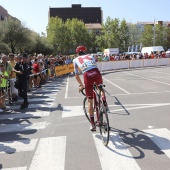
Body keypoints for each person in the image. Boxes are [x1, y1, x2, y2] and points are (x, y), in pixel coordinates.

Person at [73, 45, 107, 131]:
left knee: (90, 101)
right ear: (85, 51)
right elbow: (94, 66)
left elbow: (76, 76)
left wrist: (81, 85)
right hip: (96, 72)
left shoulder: (75, 60)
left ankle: (92, 124)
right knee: (100, 87)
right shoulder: (91, 56)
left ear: (77, 53)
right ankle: (104, 100)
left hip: (87, 75)